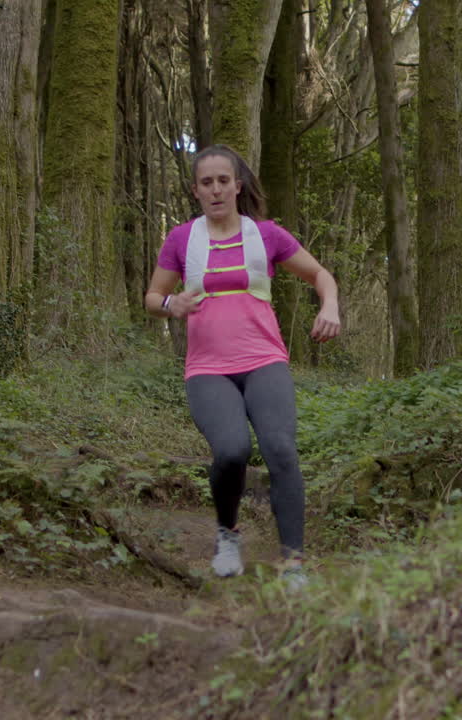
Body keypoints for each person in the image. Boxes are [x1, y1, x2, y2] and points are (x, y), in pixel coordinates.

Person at [144, 144, 340, 588]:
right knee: (231, 450)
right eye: (206, 183)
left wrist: (329, 306)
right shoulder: (182, 239)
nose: (216, 190)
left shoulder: (266, 235)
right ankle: (227, 533)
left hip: (264, 360)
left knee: (281, 450)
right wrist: (172, 305)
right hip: (208, 368)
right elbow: (152, 298)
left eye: (223, 181)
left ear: (238, 185)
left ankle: (293, 563)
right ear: (195, 190)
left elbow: (320, 275)